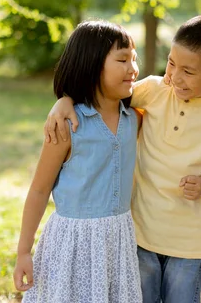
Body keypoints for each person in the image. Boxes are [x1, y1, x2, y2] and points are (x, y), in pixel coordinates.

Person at [44, 15, 201, 303]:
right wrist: (67, 99)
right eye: (171, 63)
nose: (175, 76)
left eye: (188, 71)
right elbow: (103, 97)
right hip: (139, 233)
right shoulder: (154, 89)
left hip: (187, 239)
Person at [13, 21, 142, 302]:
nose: (133, 68)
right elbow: (38, 189)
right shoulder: (67, 125)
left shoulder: (136, 118)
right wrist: (24, 251)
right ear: (92, 64)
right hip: (72, 245)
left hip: (117, 241)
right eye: (122, 59)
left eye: (134, 58)